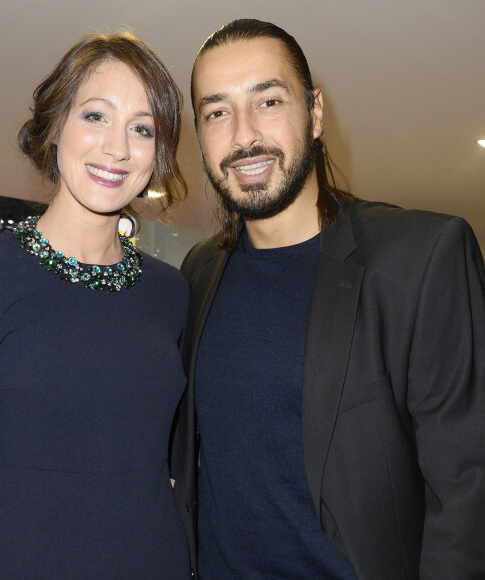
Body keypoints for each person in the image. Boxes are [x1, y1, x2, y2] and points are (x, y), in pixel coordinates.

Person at [173, 18, 485, 580]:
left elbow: (468, 491)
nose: (243, 134)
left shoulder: (421, 257)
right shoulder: (198, 272)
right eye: (216, 112)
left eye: (268, 101)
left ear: (314, 113)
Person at [0, 31, 192, 579]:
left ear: (157, 152)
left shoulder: (171, 291)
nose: (118, 147)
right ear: (55, 127)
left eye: (142, 128)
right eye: (96, 116)